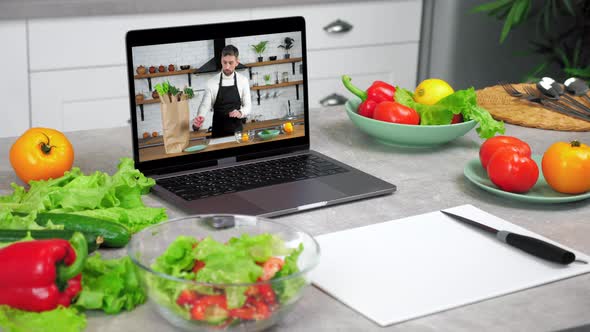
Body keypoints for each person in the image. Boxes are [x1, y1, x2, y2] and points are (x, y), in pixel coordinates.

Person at [192, 45, 251, 138]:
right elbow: (204, 106)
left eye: (231, 63)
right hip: (217, 133)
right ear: (221, 61)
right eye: (225, 62)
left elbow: (248, 106)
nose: (227, 67)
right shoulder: (211, 83)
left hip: (237, 134)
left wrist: (240, 112)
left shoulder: (243, 81)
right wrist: (198, 121)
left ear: (237, 62)